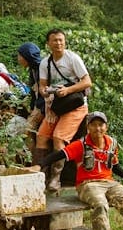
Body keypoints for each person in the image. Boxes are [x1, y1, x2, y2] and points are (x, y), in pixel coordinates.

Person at [38, 112, 123, 230]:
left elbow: (114, 165)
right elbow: (59, 155)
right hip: (87, 184)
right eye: (93, 125)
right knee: (100, 205)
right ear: (88, 127)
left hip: (109, 183)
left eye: (101, 125)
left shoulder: (112, 144)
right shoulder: (81, 145)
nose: (97, 128)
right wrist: (39, 165)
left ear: (106, 127)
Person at [36, 28, 93, 193]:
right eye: (54, 40)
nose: (58, 43)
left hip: (75, 105)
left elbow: (87, 82)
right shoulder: (45, 62)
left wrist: (68, 90)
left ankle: (56, 178)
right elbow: (42, 85)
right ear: (48, 44)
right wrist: (46, 93)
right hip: (55, 105)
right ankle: (41, 174)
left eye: (61, 40)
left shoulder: (72, 58)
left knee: (58, 137)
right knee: (42, 136)